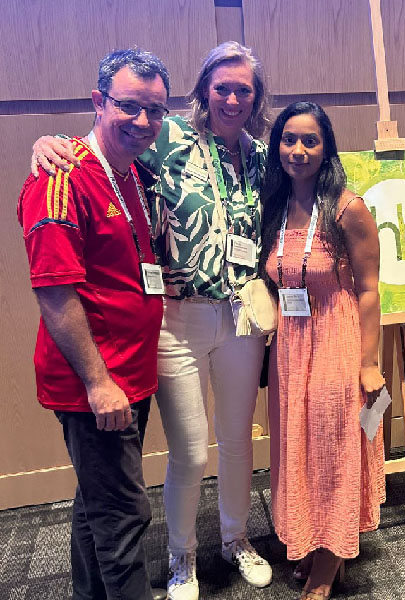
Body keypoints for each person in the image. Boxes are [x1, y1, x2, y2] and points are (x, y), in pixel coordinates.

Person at [32, 41, 273, 600]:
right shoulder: (167, 136)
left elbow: (308, 183)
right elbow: (105, 143)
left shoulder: (261, 157)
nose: (232, 99)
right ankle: (181, 556)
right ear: (203, 91)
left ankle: (236, 539)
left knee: (237, 440)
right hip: (178, 317)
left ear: (256, 96)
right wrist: (49, 142)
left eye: (243, 89)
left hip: (241, 316)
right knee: (190, 450)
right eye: (221, 87)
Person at [19, 49, 170, 600]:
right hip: (97, 383)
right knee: (124, 516)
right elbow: (54, 292)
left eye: (155, 110)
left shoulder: (132, 173)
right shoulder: (60, 178)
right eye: (129, 106)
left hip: (130, 372)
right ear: (98, 102)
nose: (143, 121)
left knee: (96, 505)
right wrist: (99, 383)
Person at [259, 101, 386, 600]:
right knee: (300, 447)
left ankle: (331, 558)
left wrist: (369, 363)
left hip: (336, 338)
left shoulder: (347, 209)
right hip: (291, 347)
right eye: (289, 139)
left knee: (334, 445)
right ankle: (313, 538)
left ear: (326, 147)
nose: (298, 150)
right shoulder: (274, 205)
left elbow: (370, 290)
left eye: (310, 140)